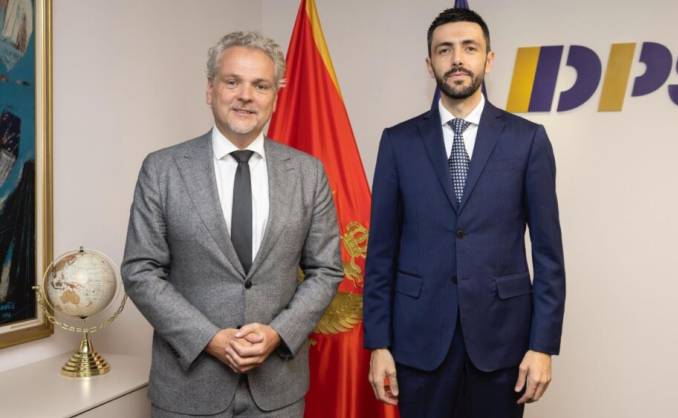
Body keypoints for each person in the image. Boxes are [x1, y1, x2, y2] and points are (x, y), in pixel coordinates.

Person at [122, 31, 343, 418]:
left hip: (278, 390)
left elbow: (326, 270)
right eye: (232, 82)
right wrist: (209, 338)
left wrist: (277, 333)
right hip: (187, 389)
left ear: (275, 96)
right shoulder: (162, 169)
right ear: (210, 90)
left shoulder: (308, 173)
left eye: (261, 85)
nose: (246, 95)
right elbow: (140, 270)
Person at [364, 8, 566, 418]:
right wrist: (378, 344)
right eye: (445, 50)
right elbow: (380, 252)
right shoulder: (398, 142)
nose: (457, 59)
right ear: (430, 64)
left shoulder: (528, 140)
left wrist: (542, 345)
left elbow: (548, 255)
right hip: (418, 343)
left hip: (503, 344)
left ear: (488, 60)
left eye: (469, 48)